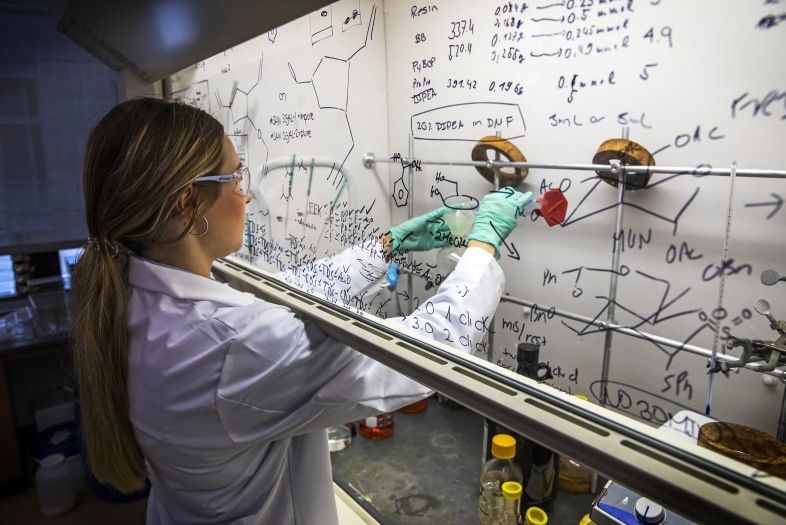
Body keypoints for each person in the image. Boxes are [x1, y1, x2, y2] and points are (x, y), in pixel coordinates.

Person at [71, 97, 530, 525]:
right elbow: (426, 355)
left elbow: (282, 297)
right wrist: (483, 246)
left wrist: (386, 247)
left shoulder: (133, 289)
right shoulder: (233, 345)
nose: (245, 195)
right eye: (235, 178)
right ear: (188, 203)